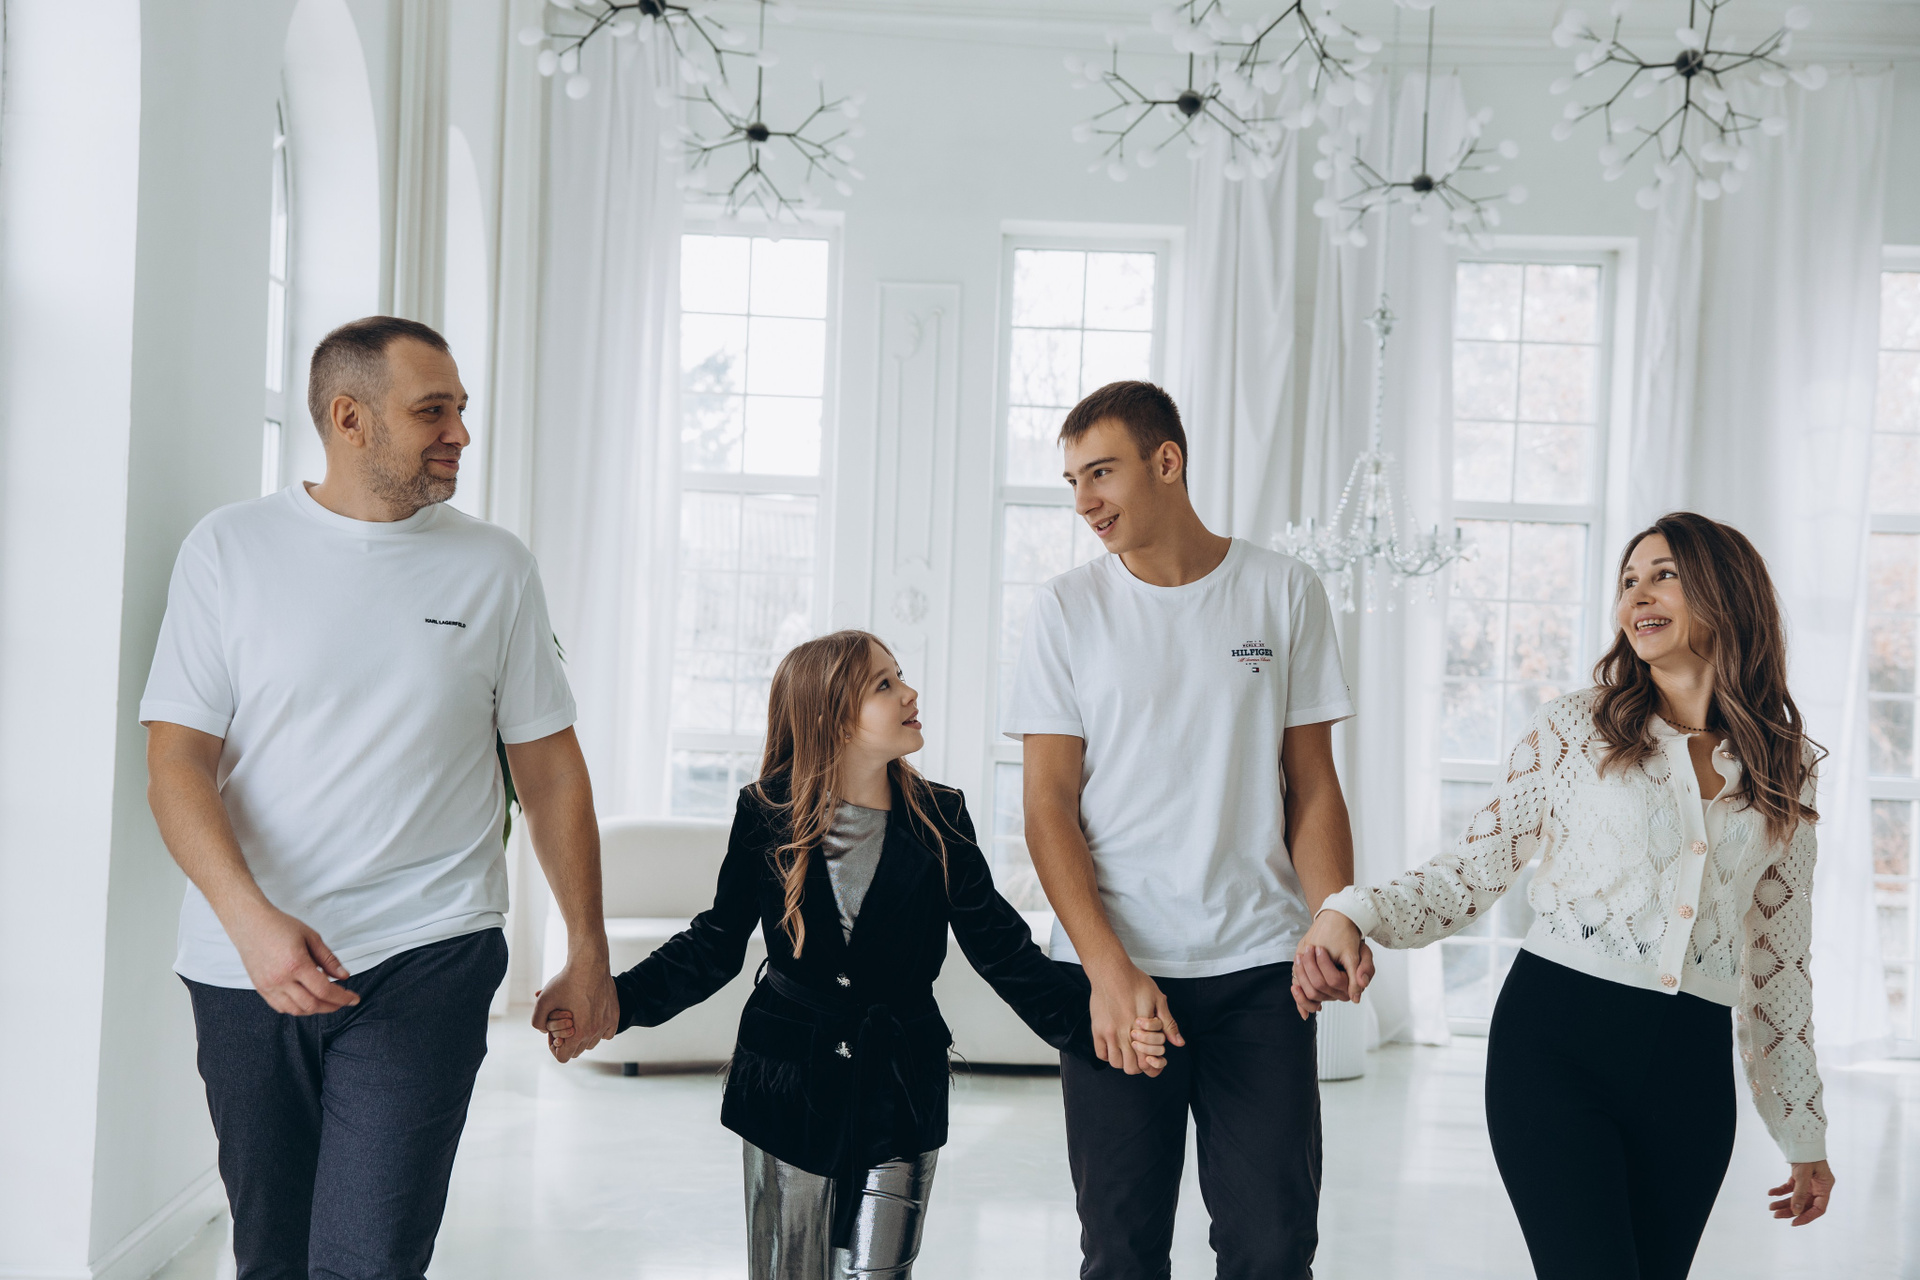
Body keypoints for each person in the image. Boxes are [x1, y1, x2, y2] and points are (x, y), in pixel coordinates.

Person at [142, 316, 619, 1279]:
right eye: (432, 411)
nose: (459, 433)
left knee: (370, 1260)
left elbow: (549, 768)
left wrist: (588, 946)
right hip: (247, 966)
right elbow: (177, 765)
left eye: (461, 409)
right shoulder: (228, 550)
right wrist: (252, 925)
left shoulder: (496, 567)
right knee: (272, 1256)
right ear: (349, 418)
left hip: (428, 951)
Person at [1298, 511, 1836, 1280]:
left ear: (1726, 592)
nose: (1636, 597)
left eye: (1663, 576)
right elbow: (1471, 871)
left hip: (1689, 1075)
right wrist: (1353, 910)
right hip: (1556, 1049)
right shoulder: (1574, 730)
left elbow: (1781, 965)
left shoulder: (1785, 767)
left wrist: (1803, 1131)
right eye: (1628, 581)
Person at [545, 630, 1111, 1280]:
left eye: (900, 676)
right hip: (785, 1083)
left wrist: (1105, 1022)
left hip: (902, 1084)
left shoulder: (943, 817)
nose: (910, 693)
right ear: (831, 715)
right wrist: (612, 1004)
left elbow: (1004, 952)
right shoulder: (766, 813)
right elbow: (714, 942)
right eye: (884, 684)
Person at [1002, 380, 1362, 1280]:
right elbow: (1047, 808)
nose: (1084, 502)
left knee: (1273, 1248)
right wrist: (1107, 971)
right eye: (1072, 481)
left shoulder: (1283, 590)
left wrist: (1334, 913)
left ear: (1167, 462)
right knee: (1121, 1253)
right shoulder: (1065, 609)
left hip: (1262, 973)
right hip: (1116, 972)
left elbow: (1312, 785)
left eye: (1101, 473)